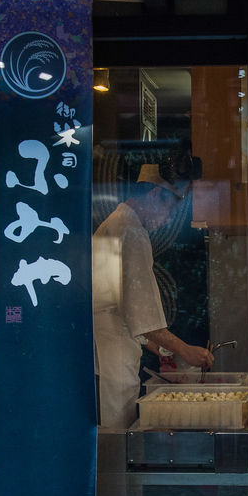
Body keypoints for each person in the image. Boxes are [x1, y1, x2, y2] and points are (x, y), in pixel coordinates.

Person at [92, 162, 213, 429]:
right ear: (155, 194)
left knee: (111, 419)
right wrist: (185, 351)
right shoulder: (130, 230)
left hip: (110, 340)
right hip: (114, 346)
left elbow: (124, 304)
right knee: (117, 424)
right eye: (170, 208)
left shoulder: (117, 222)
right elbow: (142, 310)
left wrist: (155, 346)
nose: (168, 219)